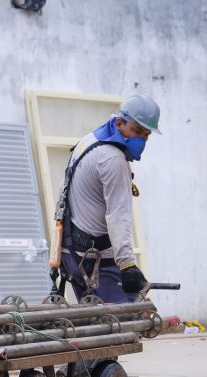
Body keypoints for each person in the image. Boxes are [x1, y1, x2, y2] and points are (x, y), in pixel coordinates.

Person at [52, 94, 161, 304]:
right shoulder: (113, 159)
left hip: (72, 252)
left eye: (146, 135)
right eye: (137, 131)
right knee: (127, 322)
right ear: (120, 122)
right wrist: (127, 265)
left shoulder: (90, 139)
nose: (141, 140)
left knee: (96, 324)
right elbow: (118, 215)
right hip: (95, 259)